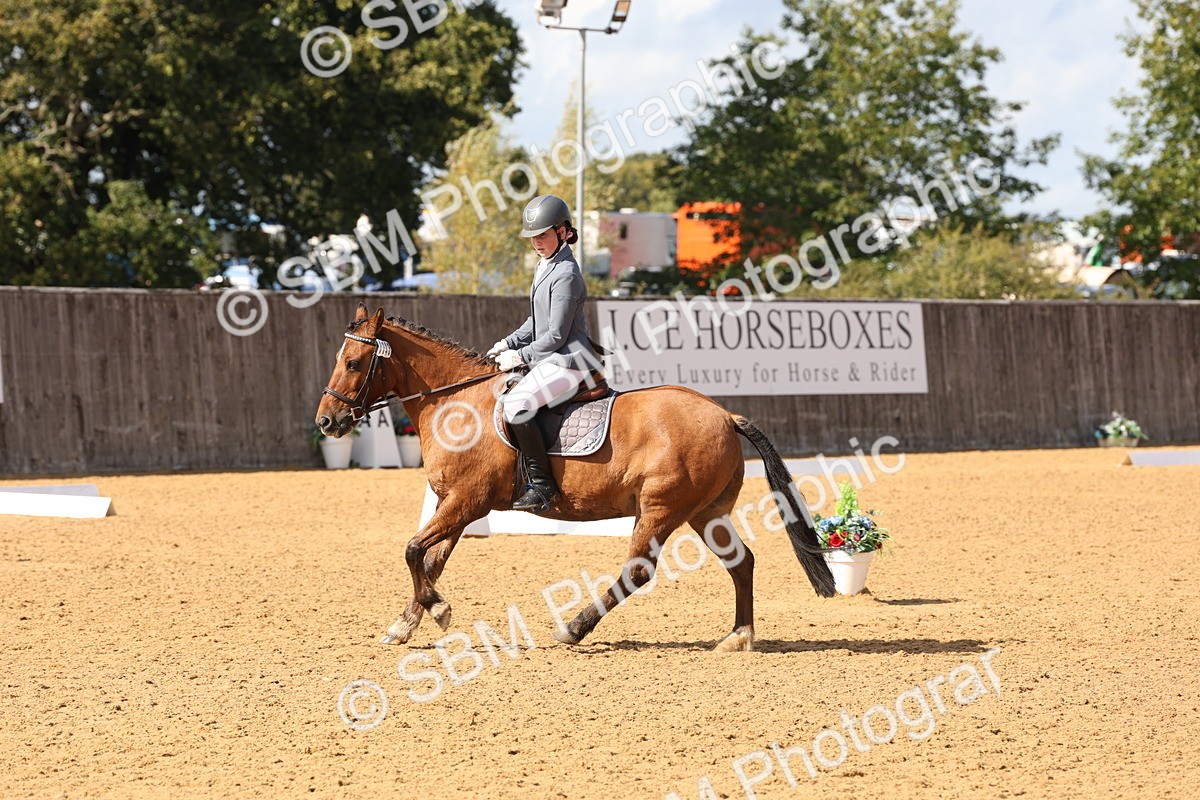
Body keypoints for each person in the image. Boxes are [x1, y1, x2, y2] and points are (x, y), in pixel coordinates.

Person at [487, 194, 599, 511]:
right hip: (552, 356)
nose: (537, 242)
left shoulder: (566, 273)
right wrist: (508, 342)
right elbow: (536, 321)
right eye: (533, 236)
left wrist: (521, 356)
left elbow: (555, 334)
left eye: (544, 235)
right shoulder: (546, 264)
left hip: (570, 361)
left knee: (517, 406)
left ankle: (542, 485)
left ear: (563, 231)